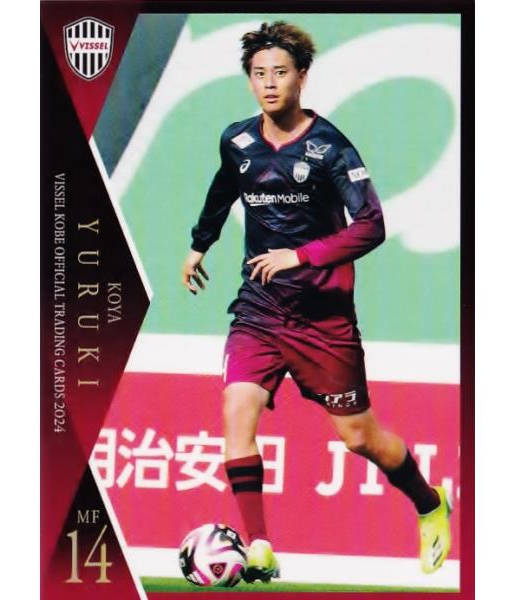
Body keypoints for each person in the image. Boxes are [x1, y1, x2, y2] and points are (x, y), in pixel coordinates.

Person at [181, 21, 452, 583]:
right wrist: (199, 244)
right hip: (259, 310)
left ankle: (430, 504)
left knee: (359, 438)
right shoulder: (237, 141)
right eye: (259, 74)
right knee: (236, 411)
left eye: (280, 72)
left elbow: (372, 225)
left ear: (302, 76)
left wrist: (299, 257)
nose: (269, 83)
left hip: (323, 320)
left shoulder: (330, 147)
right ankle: (259, 545)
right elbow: (223, 188)